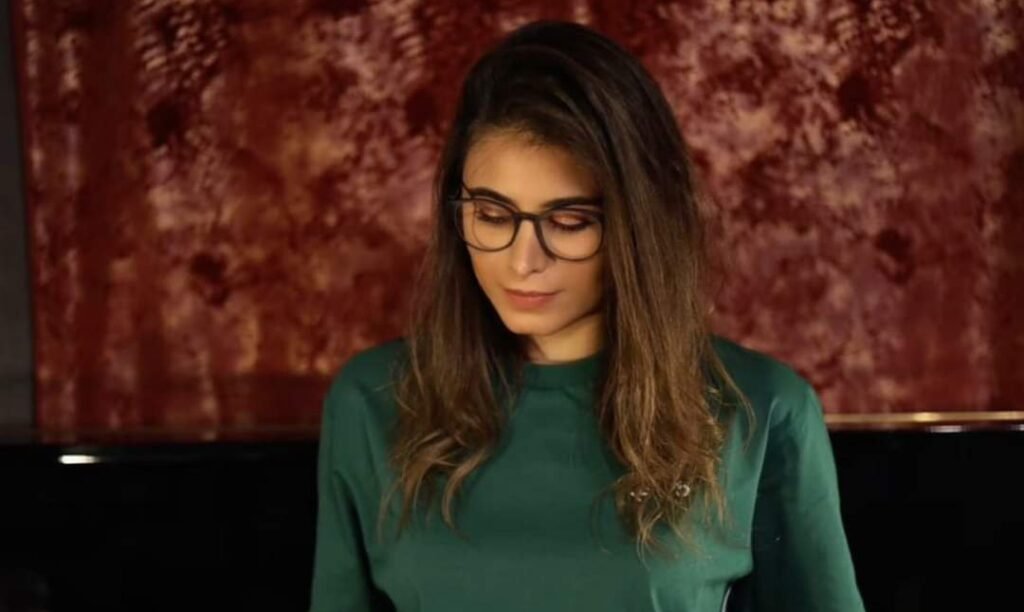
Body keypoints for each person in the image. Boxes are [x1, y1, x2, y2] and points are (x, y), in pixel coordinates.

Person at [309, 19, 865, 612]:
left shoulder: (760, 410)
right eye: (492, 216)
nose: (524, 261)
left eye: (569, 222)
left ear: (639, 222)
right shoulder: (371, 402)